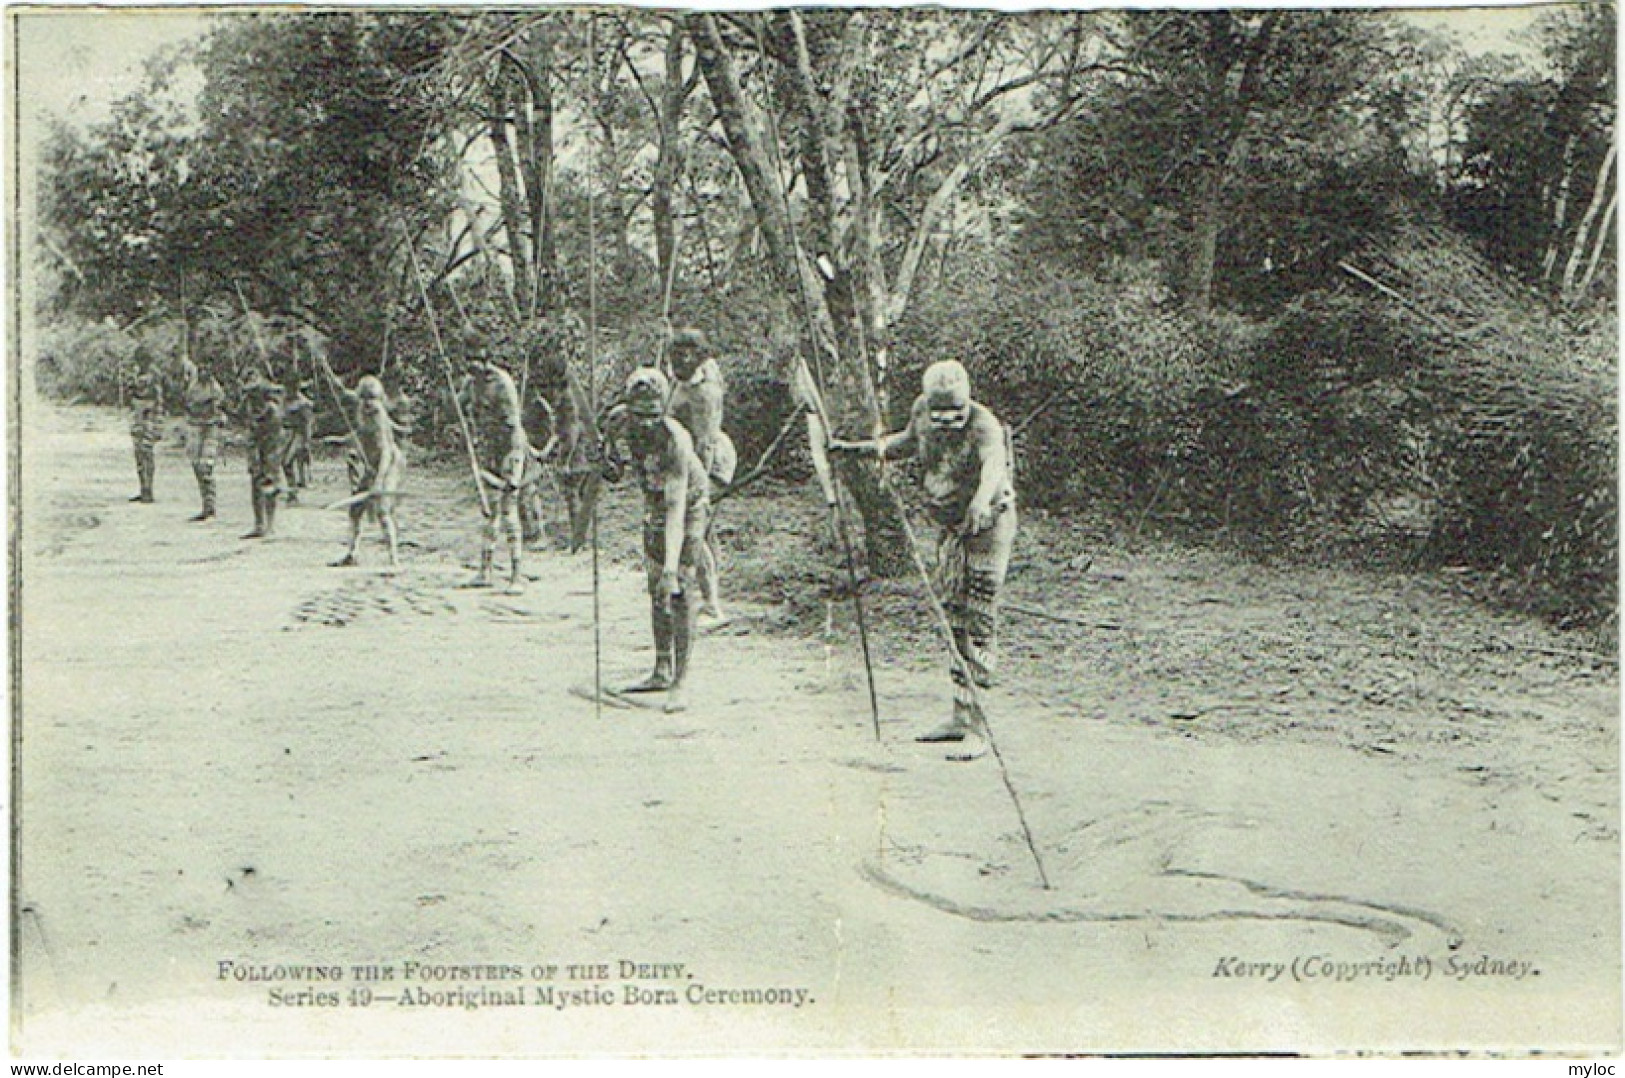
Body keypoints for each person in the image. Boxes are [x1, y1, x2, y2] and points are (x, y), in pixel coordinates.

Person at [829, 359, 1017, 759]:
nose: (947, 424)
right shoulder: (920, 412)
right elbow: (906, 443)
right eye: (940, 416)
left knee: (978, 617)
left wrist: (983, 502)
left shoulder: (984, 424)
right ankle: (959, 714)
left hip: (986, 528)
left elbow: (994, 467)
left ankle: (979, 728)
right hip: (950, 529)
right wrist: (861, 451)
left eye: (956, 416)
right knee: (951, 617)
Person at [601, 367, 709, 714]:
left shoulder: (675, 439)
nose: (644, 423)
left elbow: (676, 509)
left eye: (652, 415)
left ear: (662, 409)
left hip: (687, 504)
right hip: (652, 500)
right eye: (638, 414)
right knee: (654, 586)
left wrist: (672, 569)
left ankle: (682, 680)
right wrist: (606, 463)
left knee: (679, 590)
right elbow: (614, 468)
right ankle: (661, 669)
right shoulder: (617, 421)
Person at [666, 328, 737, 620]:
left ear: (697, 359)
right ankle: (709, 591)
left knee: (696, 529)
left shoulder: (704, 393)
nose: (678, 364)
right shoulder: (684, 378)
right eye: (675, 357)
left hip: (708, 463)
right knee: (704, 529)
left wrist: (702, 487)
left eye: (684, 358)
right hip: (686, 458)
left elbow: (706, 443)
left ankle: (711, 603)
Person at [462, 357, 539, 594]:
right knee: (490, 512)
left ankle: (516, 574)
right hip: (491, 448)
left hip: (510, 449)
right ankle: (485, 571)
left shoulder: (502, 384)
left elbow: (511, 427)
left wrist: (509, 474)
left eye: (474, 355)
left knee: (508, 510)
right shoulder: (471, 384)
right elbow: (456, 408)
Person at [332, 375, 404, 571]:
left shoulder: (378, 417)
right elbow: (347, 396)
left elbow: (386, 453)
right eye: (364, 399)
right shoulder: (360, 410)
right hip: (372, 464)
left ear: (379, 399)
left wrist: (379, 481)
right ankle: (352, 553)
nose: (367, 403)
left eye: (371, 399)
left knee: (382, 510)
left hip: (388, 466)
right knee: (355, 509)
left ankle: (394, 560)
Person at [239, 370, 287, 539]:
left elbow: (273, 435)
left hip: (270, 446)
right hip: (255, 443)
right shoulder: (248, 404)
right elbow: (242, 420)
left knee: (269, 482)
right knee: (255, 481)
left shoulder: (272, 410)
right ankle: (259, 524)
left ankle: (270, 525)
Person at [181, 358, 225, 522]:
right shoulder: (193, 386)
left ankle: (210, 507)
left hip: (210, 428)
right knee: (196, 465)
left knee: (206, 466)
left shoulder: (215, 389)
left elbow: (217, 408)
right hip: (195, 426)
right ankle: (206, 506)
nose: (203, 372)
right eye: (201, 369)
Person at [124, 346, 162, 504]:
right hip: (137, 416)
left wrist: (158, 423)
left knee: (147, 453)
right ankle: (143, 488)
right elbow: (129, 395)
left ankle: (149, 489)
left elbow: (159, 400)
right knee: (139, 454)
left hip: (148, 416)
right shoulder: (136, 374)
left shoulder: (154, 376)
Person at [282, 379, 316, 501]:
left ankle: (293, 491)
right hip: (288, 433)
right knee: (285, 462)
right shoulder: (286, 400)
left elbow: (307, 424)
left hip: (299, 435)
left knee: (287, 461)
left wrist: (306, 442)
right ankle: (292, 491)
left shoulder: (303, 404)